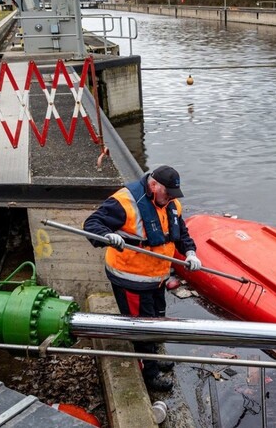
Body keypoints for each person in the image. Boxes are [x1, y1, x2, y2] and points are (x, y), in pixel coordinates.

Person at [83, 165, 202, 393]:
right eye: (167, 193)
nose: (169, 199)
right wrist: (108, 236)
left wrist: (190, 252)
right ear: (154, 185)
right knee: (142, 327)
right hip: (132, 280)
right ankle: (149, 373)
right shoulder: (125, 202)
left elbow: (181, 233)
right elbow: (92, 224)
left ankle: (154, 357)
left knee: (157, 318)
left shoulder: (171, 204)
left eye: (173, 195)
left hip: (156, 277)